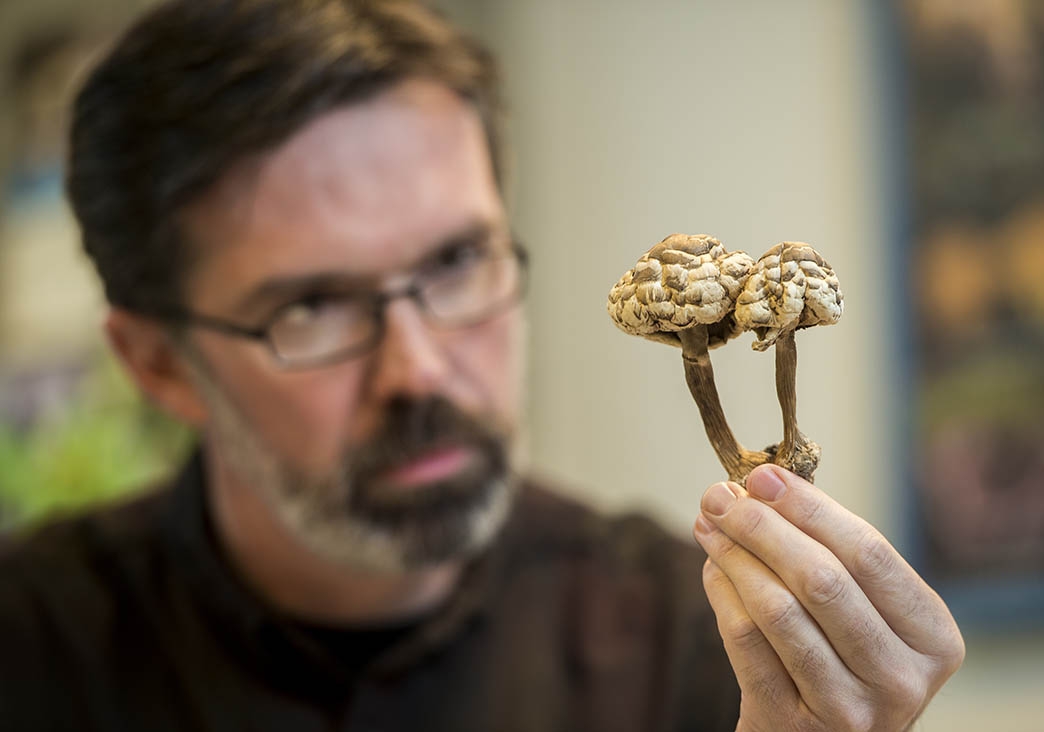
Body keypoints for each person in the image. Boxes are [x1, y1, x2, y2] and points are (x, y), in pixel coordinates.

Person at [0, 1, 965, 729]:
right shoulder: (32, 649)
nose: (419, 369)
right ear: (158, 363)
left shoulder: (713, 643)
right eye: (311, 306)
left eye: (457, 262)